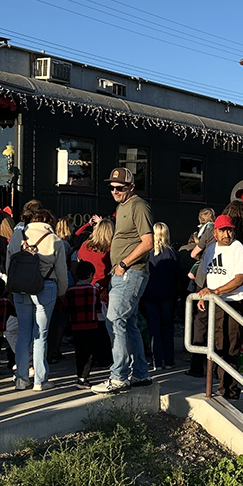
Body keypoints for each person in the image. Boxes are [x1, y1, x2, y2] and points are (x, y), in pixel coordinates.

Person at [94, 167, 154, 394]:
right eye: (112, 187)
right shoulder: (122, 206)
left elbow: (148, 241)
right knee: (128, 324)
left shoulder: (138, 205)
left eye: (120, 188)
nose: (115, 191)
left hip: (130, 272)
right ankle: (140, 373)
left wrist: (123, 263)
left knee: (115, 319)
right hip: (123, 273)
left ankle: (118, 376)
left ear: (131, 187)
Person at [189, 214, 243, 399]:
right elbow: (207, 277)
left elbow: (239, 280)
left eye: (230, 230)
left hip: (234, 303)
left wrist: (215, 292)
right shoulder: (210, 250)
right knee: (218, 345)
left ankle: (230, 390)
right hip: (215, 304)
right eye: (223, 230)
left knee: (232, 347)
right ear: (214, 232)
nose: (227, 234)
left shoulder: (239, 250)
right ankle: (220, 385)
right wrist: (203, 295)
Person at [11, 208, 68, 391]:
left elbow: (9, 264)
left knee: (24, 333)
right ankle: (40, 380)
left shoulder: (17, 236)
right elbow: (61, 271)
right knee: (41, 334)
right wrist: (62, 291)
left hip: (20, 288)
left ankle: (21, 378)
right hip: (46, 287)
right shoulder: (54, 240)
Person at [142, 222, 182, 370]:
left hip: (150, 294)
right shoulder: (171, 252)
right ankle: (169, 360)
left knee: (154, 328)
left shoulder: (147, 253)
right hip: (167, 294)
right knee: (167, 327)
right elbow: (176, 274)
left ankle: (156, 361)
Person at [65, 261, 107, 389]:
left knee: (79, 352)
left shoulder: (70, 290)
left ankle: (80, 376)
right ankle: (84, 377)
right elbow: (98, 306)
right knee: (89, 353)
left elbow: (66, 307)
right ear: (90, 275)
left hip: (76, 326)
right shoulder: (94, 290)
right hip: (91, 325)